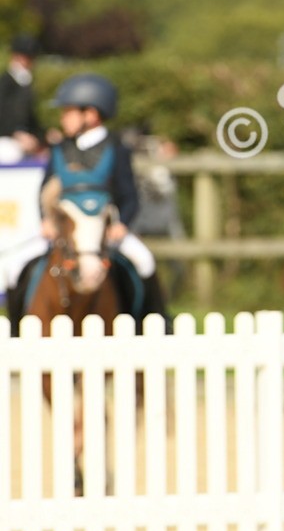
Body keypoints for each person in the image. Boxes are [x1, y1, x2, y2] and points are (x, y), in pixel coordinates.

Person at [4, 74, 172, 328]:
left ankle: (153, 325)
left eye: (68, 112)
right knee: (14, 268)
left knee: (144, 261)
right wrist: (46, 221)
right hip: (64, 232)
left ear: (90, 114)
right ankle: (17, 331)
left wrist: (122, 224)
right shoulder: (60, 149)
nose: (62, 118)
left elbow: (129, 196)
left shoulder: (116, 149)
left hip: (105, 232)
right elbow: (44, 191)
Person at [0, 34, 45, 164]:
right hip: (6, 139)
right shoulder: (4, 84)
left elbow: (31, 119)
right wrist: (16, 134)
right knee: (10, 153)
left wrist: (42, 137)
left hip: (25, 139)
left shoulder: (26, 84)